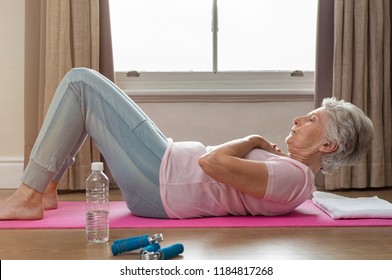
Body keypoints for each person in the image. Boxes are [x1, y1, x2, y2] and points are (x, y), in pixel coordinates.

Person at [0, 68, 374, 220]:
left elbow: (210, 165)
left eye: (312, 120)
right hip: (163, 168)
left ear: (328, 146)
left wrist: (252, 139)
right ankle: (45, 188)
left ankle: (31, 195)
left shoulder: (295, 179)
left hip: (160, 181)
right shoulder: (294, 176)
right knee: (86, 99)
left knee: (81, 82)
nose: (298, 119)